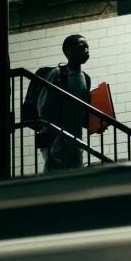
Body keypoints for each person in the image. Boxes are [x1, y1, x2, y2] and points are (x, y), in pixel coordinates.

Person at [37, 34, 91, 172]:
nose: (86, 50)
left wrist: (96, 125)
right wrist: (57, 133)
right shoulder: (58, 74)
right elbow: (43, 107)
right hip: (56, 139)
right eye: (82, 47)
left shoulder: (86, 78)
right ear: (69, 51)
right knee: (54, 180)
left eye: (87, 47)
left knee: (75, 181)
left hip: (75, 140)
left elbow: (80, 113)